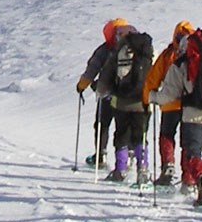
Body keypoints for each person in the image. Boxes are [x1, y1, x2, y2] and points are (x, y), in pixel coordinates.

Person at [150, 22, 202, 206]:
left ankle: (201, 179)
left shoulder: (182, 62)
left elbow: (169, 94)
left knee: (192, 153)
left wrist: (153, 97)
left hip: (193, 114)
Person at [93, 20, 155, 184]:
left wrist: (101, 91)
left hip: (121, 102)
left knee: (121, 136)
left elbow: (107, 74)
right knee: (140, 137)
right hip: (143, 103)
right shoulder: (145, 51)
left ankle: (120, 170)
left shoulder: (119, 51)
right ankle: (143, 170)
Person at [141, 20, 195, 187]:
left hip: (169, 103)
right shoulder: (195, 54)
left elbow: (153, 78)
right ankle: (189, 177)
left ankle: (168, 168)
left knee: (166, 136)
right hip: (190, 105)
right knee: (188, 141)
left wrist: (147, 98)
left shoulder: (168, 54)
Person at [76, 18, 128, 169]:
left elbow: (92, 70)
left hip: (107, 94)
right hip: (127, 96)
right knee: (124, 127)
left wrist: (82, 86)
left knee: (102, 124)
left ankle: (101, 155)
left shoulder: (105, 49)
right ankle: (128, 158)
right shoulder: (134, 48)